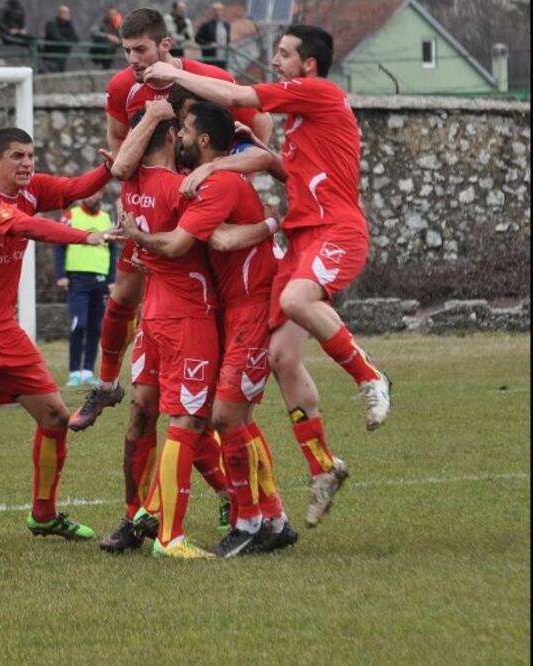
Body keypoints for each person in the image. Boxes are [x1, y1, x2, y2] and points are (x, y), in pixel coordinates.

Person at [143, 24, 393, 526]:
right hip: (302, 239)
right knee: (281, 355)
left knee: (299, 300)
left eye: (284, 54)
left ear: (309, 65)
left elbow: (237, 93)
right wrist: (230, 164)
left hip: (334, 229)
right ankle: (323, 467)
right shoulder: (301, 125)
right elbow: (280, 167)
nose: (275, 60)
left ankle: (370, 376)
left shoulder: (320, 94)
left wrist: (175, 69)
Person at [69, 6, 273, 432]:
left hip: (195, 202)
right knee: (124, 293)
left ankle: (221, 386)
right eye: (126, 50)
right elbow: (118, 144)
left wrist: (220, 171)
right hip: (148, 201)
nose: (133, 59)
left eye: (141, 49)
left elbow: (262, 126)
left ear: (166, 45)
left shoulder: (206, 78)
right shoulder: (122, 87)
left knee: (208, 291)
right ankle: (107, 383)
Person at [117, 101, 298, 557]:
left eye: (185, 128)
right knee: (219, 417)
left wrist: (278, 221)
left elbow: (208, 238)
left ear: (199, 139)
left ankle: (248, 519)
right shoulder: (193, 179)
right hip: (210, 309)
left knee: (215, 417)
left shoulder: (212, 181)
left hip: (246, 305)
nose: (178, 134)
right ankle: (265, 516)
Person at [0, 127, 114, 554]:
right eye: (17, 156)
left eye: (30, 155)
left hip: (2, 325)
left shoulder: (32, 190)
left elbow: (73, 188)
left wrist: (108, 170)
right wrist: (85, 235)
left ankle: (45, 514)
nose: (27, 163)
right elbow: (27, 228)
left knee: (55, 416)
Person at [53, 189, 115, 387]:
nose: (92, 196)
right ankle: (74, 371)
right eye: (88, 193)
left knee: (96, 327)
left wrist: (111, 279)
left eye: (96, 193)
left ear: (101, 196)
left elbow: (113, 251)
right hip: (77, 279)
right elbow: (59, 244)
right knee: (79, 324)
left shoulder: (107, 219)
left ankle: (88, 371)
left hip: (100, 279)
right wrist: (61, 275)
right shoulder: (71, 216)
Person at [41, 4, 79, 73]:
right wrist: (67, 42)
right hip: (50, 57)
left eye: (68, 13)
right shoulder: (51, 24)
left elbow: (76, 39)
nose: (68, 15)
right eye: (65, 13)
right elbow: (56, 37)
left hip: (63, 57)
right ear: (59, 13)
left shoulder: (68, 26)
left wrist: (66, 42)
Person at [196, 2, 231, 70]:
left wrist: (228, 44)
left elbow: (227, 39)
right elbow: (197, 38)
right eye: (216, 10)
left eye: (220, 10)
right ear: (212, 12)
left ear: (223, 11)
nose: (218, 13)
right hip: (211, 59)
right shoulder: (207, 25)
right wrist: (208, 44)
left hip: (223, 58)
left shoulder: (226, 25)